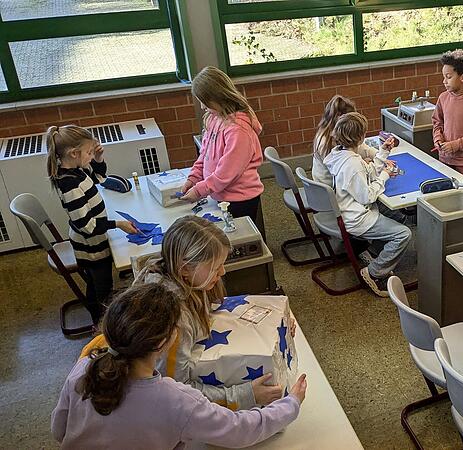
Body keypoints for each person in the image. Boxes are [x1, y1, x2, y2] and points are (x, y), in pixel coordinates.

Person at [52, 283, 307, 449]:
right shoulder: (176, 399)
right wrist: (291, 403)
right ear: (164, 342)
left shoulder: (83, 367)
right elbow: (240, 430)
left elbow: (58, 430)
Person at [130, 215, 290, 410]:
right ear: (185, 269)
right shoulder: (173, 319)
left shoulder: (184, 280)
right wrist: (244, 395)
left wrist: (276, 325)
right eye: (215, 268)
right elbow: (175, 390)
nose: (222, 272)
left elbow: (217, 309)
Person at [45, 125, 138, 324]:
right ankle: (101, 325)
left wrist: (97, 160)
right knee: (102, 288)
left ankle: (98, 318)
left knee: (96, 285)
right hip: (90, 247)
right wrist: (117, 224)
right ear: (74, 153)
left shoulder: (76, 170)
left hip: (94, 241)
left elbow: (99, 179)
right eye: (88, 152)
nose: (90, 155)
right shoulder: (69, 185)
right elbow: (87, 225)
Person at [324, 112, 411, 297]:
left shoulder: (340, 154)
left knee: (395, 216)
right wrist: (385, 176)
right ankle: (374, 272)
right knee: (403, 234)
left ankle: (372, 252)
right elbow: (368, 196)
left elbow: (366, 171)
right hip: (358, 218)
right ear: (360, 137)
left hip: (350, 211)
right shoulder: (352, 164)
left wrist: (383, 153)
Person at [181, 66, 265, 238]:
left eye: (204, 101)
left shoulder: (238, 129)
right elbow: (204, 154)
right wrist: (194, 177)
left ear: (217, 97)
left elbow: (227, 172)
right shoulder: (213, 118)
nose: (202, 107)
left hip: (240, 199)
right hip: (221, 195)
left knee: (241, 241)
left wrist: (199, 190)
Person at [312, 95, 396, 187]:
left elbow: (361, 147)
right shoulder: (325, 142)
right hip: (331, 190)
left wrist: (378, 156)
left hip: (334, 188)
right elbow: (351, 174)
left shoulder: (337, 133)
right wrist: (366, 164)